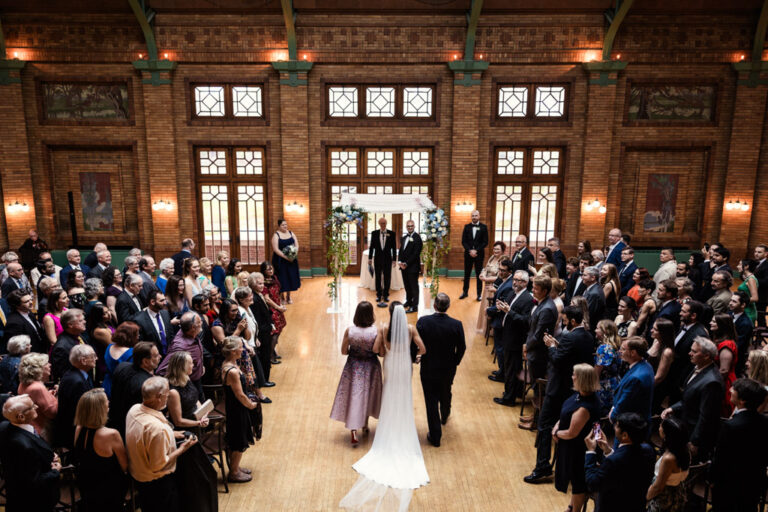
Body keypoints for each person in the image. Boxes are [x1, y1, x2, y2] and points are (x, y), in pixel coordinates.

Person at [339, 303, 429, 511]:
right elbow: (423, 348)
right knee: (404, 397)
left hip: (390, 364)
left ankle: (388, 427)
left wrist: (386, 351)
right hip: (405, 365)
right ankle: (402, 426)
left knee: (389, 396)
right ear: (404, 314)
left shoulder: (383, 328)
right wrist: (416, 356)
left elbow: (375, 350)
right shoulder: (411, 328)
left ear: (389, 314)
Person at [524, 305, 594, 484]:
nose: (563, 324)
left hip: (558, 389)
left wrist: (550, 346)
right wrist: (557, 345)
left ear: (572, 320)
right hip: (573, 390)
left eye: (564, 321)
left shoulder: (570, 338)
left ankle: (542, 467)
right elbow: (570, 356)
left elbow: (557, 360)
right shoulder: (588, 336)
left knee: (545, 425)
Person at [126, 376, 197, 512]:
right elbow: (158, 464)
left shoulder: (134, 410)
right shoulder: (158, 429)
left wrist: (174, 434)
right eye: (167, 393)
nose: (169, 395)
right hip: (158, 483)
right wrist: (183, 448)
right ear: (159, 396)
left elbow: (144, 437)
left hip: (140, 477)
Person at [710, 378, 768, 512]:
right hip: (754, 483)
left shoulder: (730, 426)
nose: (730, 390)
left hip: (729, 485)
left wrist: (712, 479)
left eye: (734, 390)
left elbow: (720, 458)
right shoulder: (765, 422)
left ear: (742, 401)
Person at [661, 337, 723, 461]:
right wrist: (673, 408)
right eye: (691, 350)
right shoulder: (697, 367)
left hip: (693, 433)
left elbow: (706, 416)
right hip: (685, 425)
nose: (690, 353)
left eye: (694, 351)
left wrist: (695, 442)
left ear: (706, 356)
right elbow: (689, 398)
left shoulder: (712, 382)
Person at [330, 301, 383, 446]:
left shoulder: (350, 331)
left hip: (354, 367)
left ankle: (353, 430)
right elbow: (379, 352)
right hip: (371, 367)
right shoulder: (376, 331)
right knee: (368, 395)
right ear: (371, 314)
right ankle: (365, 425)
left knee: (355, 396)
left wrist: (354, 352)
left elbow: (343, 351)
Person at [553, 364, 602, 512]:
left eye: (574, 374)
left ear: (582, 379)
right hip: (573, 446)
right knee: (576, 481)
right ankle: (571, 506)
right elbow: (565, 415)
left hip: (578, 449)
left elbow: (571, 433)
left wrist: (555, 433)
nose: (572, 376)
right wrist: (557, 425)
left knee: (578, 483)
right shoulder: (581, 395)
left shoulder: (585, 407)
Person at [416, 293, 463, 446]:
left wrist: (416, 357)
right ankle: (445, 414)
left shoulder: (423, 322)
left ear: (434, 306)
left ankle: (435, 436)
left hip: (429, 367)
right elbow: (462, 347)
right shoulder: (457, 324)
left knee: (431, 401)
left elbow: (416, 344)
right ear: (448, 306)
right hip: (448, 368)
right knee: (446, 390)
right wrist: (454, 362)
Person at [0, 394, 61, 512]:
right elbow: (33, 483)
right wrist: (55, 471)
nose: (37, 406)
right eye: (32, 406)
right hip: (33, 503)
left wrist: (48, 456)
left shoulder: (4, 426)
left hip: (14, 495)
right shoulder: (23, 446)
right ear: (21, 416)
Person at [584, 413, 655, 512]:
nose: (614, 427)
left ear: (625, 435)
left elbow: (592, 483)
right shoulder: (648, 451)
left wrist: (591, 451)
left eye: (616, 426)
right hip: (636, 506)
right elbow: (624, 470)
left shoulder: (613, 461)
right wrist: (608, 451)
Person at [72, 388, 128, 512]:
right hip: (108, 490)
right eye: (106, 402)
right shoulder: (111, 434)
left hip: (86, 485)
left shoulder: (79, 428)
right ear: (100, 410)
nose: (109, 403)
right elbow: (125, 467)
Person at [520, 276, 558, 430]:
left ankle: (536, 421)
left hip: (539, 354)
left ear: (545, 290)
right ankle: (534, 416)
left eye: (535, 288)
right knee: (535, 385)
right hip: (534, 350)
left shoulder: (548, 308)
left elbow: (538, 334)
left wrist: (527, 347)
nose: (532, 290)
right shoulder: (543, 303)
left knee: (538, 387)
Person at [221, 337, 258, 482]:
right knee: (238, 440)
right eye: (240, 347)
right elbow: (240, 394)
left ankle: (235, 467)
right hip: (237, 408)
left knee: (239, 437)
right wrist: (251, 405)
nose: (242, 349)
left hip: (235, 407)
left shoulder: (231, 364)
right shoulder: (232, 372)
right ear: (233, 351)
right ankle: (234, 473)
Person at [495, 270, 534, 405]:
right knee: (512, 368)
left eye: (518, 280)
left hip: (516, 339)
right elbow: (508, 308)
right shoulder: (513, 293)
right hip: (508, 335)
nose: (515, 282)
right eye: (514, 280)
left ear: (525, 283)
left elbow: (525, 321)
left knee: (511, 370)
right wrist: (501, 307)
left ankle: (508, 398)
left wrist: (509, 312)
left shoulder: (528, 299)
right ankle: (515, 392)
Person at [109, 342, 161, 436]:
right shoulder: (147, 385)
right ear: (145, 361)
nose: (160, 357)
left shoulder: (122, 366)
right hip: (133, 429)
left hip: (114, 420)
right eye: (156, 355)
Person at [645, 417, 690, 512]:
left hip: (665, 496)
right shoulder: (684, 449)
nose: (659, 425)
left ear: (667, 435)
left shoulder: (669, 459)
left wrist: (646, 499)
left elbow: (658, 487)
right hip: (677, 490)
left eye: (661, 425)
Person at [156, 312, 205, 398]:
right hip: (188, 385)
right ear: (193, 327)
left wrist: (200, 365)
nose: (202, 323)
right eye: (199, 322)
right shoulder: (180, 346)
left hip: (197, 380)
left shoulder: (190, 333)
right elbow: (161, 371)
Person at [610, 337, 654, 428]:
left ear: (633, 353)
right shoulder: (645, 365)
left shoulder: (636, 378)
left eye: (623, 349)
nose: (619, 351)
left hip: (630, 425)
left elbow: (625, 402)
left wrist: (612, 415)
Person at [669, 301, 708, 403]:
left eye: (683, 311)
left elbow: (694, 361)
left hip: (681, 376)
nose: (680, 313)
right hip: (673, 372)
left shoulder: (700, 334)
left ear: (693, 315)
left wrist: (682, 382)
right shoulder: (684, 326)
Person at [17, 352, 58, 442]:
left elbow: (36, 401)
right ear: (39, 369)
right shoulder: (38, 387)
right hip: (41, 430)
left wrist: (48, 395)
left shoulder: (23, 383)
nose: (50, 365)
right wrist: (59, 396)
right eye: (47, 363)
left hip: (29, 427)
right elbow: (52, 413)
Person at [486, 258, 515, 381]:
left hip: (501, 321)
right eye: (499, 269)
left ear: (510, 271)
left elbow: (501, 305)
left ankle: (502, 373)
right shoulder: (505, 281)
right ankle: (501, 370)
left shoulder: (508, 286)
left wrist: (488, 311)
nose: (500, 272)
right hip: (499, 319)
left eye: (503, 270)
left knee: (500, 348)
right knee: (499, 348)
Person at [166, 351, 209, 430]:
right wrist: (199, 423)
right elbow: (178, 421)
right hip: (184, 429)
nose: (193, 365)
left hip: (195, 422)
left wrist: (203, 415)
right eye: (191, 363)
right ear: (182, 367)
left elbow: (195, 399)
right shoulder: (173, 392)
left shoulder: (186, 378)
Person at [710, 313, 738, 416]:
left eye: (713, 322)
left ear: (721, 325)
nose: (710, 323)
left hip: (724, 384)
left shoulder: (726, 345)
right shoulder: (719, 341)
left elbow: (724, 371)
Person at [2, 289, 45, 354]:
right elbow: (17, 348)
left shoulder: (29, 312)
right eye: (26, 301)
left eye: (31, 299)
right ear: (17, 305)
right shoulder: (14, 323)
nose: (31, 302)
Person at [134, 289, 175, 357]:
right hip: (152, 357)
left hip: (169, 356)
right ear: (152, 302)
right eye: (161, 301)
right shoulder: (139, 320)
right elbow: (142, 344)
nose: (165, 303)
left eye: (164, 300)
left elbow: (170, 334)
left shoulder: (165, 314)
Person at [260, 261, 287, 363]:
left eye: (271, 268)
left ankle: (273, 351)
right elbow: (267, 299)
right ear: (264, 271)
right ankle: (270, 355)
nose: (271, 270)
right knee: (275, 332)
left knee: (279, 329)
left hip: (277, 306)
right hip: (271, 309)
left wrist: (281, 304)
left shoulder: (274, 278)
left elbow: (278, 292)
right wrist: (278, 308)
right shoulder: (264, 283)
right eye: (268, 269)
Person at [50, 308, 87, 382]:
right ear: (70, 325)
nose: (85, 322)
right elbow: (63, 375)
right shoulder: (61, 347)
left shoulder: (79, 336)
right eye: (80, 321)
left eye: (84, 319)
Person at [647, 318, 676, 413]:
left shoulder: (667, 352)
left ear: (662, 333)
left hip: (655, 387)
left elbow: (659, 377)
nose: (651, 330)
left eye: (655, 329)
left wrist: (643, 387)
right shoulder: (656, 341)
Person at [103, 321, 137, 398]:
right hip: (123, 388)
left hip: (108, 385)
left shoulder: (109, 347)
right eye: (136, 334)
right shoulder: (131, 352)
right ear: (131, 336)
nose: (138, 336)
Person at [459, 210, 489, 300]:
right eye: (473, 216)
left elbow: (485, 242)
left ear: (479, 216)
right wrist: (470, 250)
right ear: (471, 217)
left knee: (478, 275)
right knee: (466, 274)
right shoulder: (467, 227)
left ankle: (479, 294)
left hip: (479, 255)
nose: (474, 217)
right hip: (468, 254)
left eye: (476, 215)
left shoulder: (484, 227)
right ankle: (465, 292)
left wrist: (476, 250)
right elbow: (463, 241)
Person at [594, 319, 621, 416]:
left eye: (597, 328)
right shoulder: (615, 346)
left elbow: (597, 372)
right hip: (615, 383)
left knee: (600, 415)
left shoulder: (604, 348)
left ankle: (597, 431)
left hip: (604, 387)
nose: (595, 330)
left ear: (604, 331)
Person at [368, 217, 397, 307]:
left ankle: (386, 295)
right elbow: (372, 247)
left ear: (386, 224)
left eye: (384, 223)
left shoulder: (391, 233)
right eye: (381, 223)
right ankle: (379, 295)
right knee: (378, 277)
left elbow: (394, 247)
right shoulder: (374, 233)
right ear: (379, 224)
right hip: (377, 259)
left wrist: (394, 260)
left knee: (387, 277)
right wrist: (370, 258)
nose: (383, 225)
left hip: (388, 259)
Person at [272, 219, 301, 303]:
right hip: (280, 260)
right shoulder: (276, 235)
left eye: (286, 225)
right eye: (283, 225)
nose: (285, 226)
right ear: (279, 226)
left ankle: (289, 296)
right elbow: (276, 249)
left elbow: (297, 244)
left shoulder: (291, 233)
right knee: (282, 277)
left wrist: (294, 254)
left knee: (290, 277)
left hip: (291, 259)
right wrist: (286, 257)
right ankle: (282, 297)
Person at [398, 219, 423, 313]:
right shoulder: (404, 238)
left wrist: (406, 263)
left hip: (412, 267)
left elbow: (415, 254)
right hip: (404, 267)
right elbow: (401, 251)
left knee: (414, 287)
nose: (410, 227)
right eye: (408, 226)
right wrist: (400, 261)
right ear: (406, 227)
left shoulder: (417, 238)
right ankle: (408, 301)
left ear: (414, 226)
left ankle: (414, 306)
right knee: (407, 286)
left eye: (411, 226)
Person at [730, 291, 754, 377]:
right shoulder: (728, 314)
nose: (730, 303)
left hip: (735, 358)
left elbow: (738, 345)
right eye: (731, 300)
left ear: (743, 305)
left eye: (734, 301)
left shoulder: (746, 323)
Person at [581, 266, 605, 332]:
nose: (582, 277)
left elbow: (588, 313)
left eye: (584, 275)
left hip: (590, 328)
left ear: (593, 278)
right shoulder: (593, 287)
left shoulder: (594, 293)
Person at [737, 258, 759, 324]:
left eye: (740, 264)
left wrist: (739, 301)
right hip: (745, 308)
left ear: (746, 266)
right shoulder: (748, 278)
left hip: (749, 310)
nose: (737, 266)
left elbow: (755, 298)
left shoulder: (751, 279)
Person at [753, 244, 768, 327]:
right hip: (751, 295)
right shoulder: (754, 263)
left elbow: (766, 282)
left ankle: (760, 338)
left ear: (766, 254)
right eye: (755, 251)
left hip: (761, 297)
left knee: (760, 318)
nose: (756, 254)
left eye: (759, 252)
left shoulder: (767, 265)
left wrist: (752, 279)